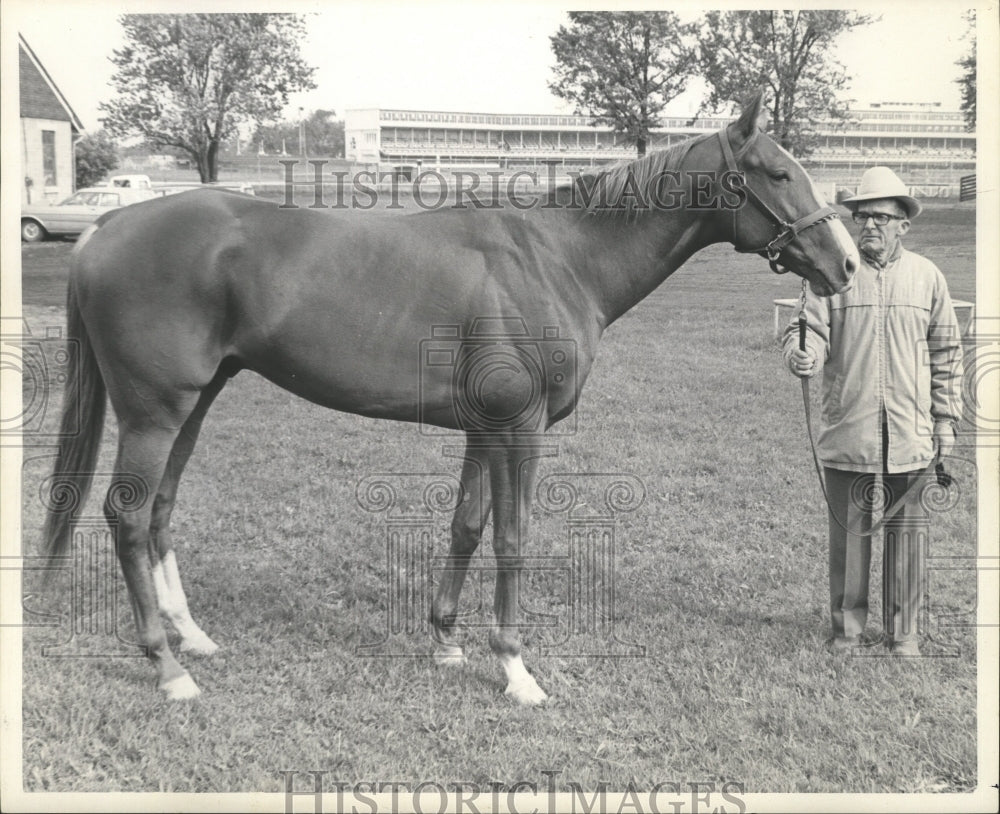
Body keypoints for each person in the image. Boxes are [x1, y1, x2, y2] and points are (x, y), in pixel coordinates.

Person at [783, 166, 964, 656]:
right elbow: (807, 333)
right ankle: (848, 631)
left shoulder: (928, 277)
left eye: (881, 218)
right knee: (850, 541)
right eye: (862, 217)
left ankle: (903, 635)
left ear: (904, 223)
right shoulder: (832, 273)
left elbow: (947, 351)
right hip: (850, 430)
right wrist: (804, 354)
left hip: (911, 435)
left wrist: (945, 420)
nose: (869, 227)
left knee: (908, 542)